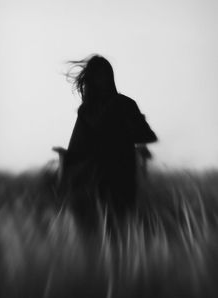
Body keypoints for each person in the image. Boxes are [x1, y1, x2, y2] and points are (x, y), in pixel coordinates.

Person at [57, 54, 158, 233]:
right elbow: (76, 148)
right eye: (98, 75)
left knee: (117, 231)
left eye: (103, 74)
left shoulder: (123, 104)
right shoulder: (89, 110)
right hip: (99, 181)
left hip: (119, 178)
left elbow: (146, 135)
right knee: (106, 232)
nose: (101, 80)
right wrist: (64, 160)